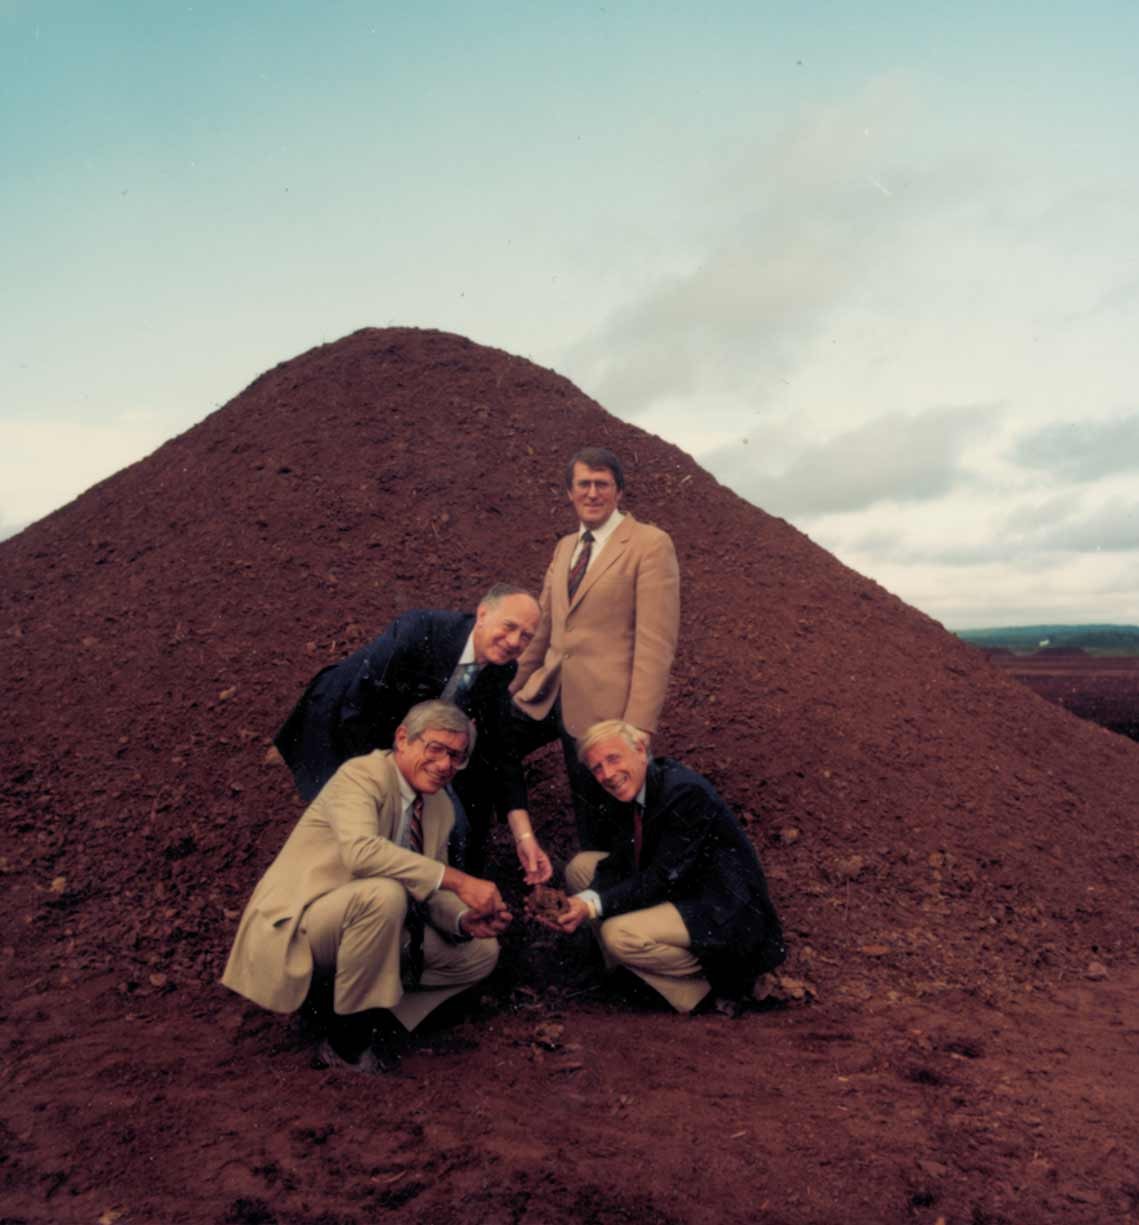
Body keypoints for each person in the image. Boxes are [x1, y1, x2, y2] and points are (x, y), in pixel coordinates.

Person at [222, 700, 512, 1073]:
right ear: (403, 739)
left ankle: (373, 1020)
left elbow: (427, 884)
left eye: (456, 756)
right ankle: (346, 1044)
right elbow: (362, 853)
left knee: (482, 952)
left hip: (369, 928)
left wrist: (462, 919)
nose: (445, 765)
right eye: (436, 749)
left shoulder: (440, 807)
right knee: (384, 896)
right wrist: (461, 881)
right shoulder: (361, 776)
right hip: (304, 926)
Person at [274, 584, 551, 882]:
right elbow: (359, 708)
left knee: (455, 823)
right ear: (483, 614)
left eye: (526, 636)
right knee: (351, 830)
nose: (513, 641)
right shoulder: (421, 630)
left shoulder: (501, 670)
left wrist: (524, 837)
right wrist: (387, 787)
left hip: (412, 739)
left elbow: (502, 749)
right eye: (509, 626)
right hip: (341, 724)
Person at [545, 720, 786, 1014]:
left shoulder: (684, 793)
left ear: (640, 749)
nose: (607, 774)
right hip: (679, 887)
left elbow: (662, 878)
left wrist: (591, 907)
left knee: (617, 934)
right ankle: (622, 969)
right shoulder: (634, 787)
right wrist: (580, 902)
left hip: (719, 907)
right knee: (580, 869)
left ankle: (711, 987)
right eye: (597, 768)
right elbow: (620, 861)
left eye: (613, 758)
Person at [511, 447, 680, 845]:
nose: (592, 493)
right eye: (583, 484)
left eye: (601, 484)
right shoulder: (567, 546)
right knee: (484, 747)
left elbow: (656, 643)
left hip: (603, 708)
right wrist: (512, 684)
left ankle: (599, 895)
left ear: (618, 491)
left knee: (599, 823)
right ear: (569, 493)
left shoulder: (649, 544)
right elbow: (545, 624)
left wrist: (636, 725)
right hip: (546, 691)